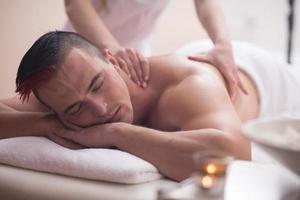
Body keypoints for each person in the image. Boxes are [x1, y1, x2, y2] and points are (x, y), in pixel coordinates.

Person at [1, 31, 300, 181]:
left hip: (269, 79)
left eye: (98, 84)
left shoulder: (189, 85)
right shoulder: (66, 93)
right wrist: (46, 124)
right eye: (76, 109)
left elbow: (234, 155)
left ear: (114, 61)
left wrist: (117, 134)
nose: (101, 109)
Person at [63, 0, 247, 98]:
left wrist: (222, 44)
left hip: (135, 58)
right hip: (81, 52)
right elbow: (75, 4)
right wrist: (112, 48)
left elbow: (206, 2)